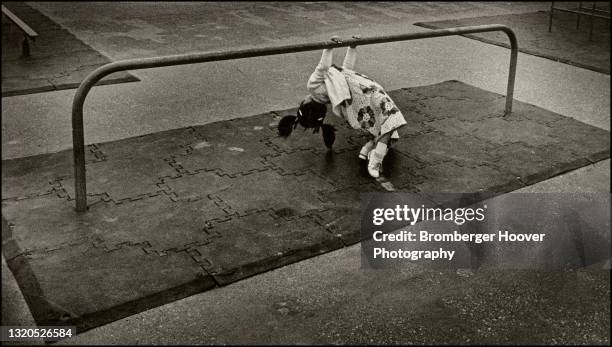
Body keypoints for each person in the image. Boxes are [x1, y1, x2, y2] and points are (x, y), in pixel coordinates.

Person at [278, 36, 407, 178]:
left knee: (385, 126)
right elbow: (324, 67)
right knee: (391, 120)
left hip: (363, 96)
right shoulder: (313, 87)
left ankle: (369, 148)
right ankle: (375, 160)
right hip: (368, 90)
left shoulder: (333, 101)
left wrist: (352, 47)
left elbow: (346, 71)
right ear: (305, 103)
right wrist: (329, 47)